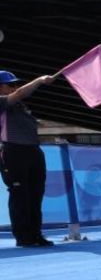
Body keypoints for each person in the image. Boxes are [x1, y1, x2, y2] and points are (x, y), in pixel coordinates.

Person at [0, 70, 55, 247]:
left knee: (35, 194)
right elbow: (20, 93)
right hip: (12, 151)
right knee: (19, 194)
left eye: (16, 84)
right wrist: (39, 79)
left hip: (32, 150)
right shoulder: (3, 101)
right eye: (11, 84)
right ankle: (23, 236)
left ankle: (36, 233)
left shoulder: (21, 106)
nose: (15, 87)